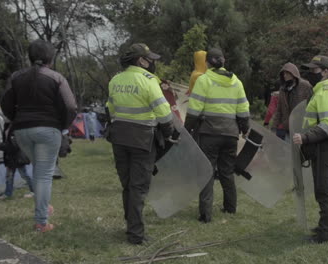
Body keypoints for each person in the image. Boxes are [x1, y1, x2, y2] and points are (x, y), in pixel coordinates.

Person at [0, 39, 77, 232]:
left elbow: (5, 103)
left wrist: (15, 118)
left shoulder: (16, 77)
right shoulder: (56, 78)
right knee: (44, 175)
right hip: (48, 130)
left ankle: (44, 206)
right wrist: (63, 126)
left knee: (39, 171)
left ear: (30, 56)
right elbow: (70, 106)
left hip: (22, 131)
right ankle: (42, 222)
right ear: (51, 57)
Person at [106, 43, 174, 244]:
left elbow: (110, 109)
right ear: (141, 61)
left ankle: (130, 222)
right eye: (149, 59)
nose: (152, 63)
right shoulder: (150, 81)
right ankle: (136, 234)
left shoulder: (115, 80)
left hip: (119, 138)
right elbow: (164, 113)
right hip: (142, 140)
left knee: (127, 184)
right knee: (139, 187)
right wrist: (169, 133)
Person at [184, 48, 250, 223]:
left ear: (207, 63)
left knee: (207, 172)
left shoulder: (204, 80)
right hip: (231, 134)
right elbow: (243, 109)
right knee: (227, 171)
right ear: (223, 61)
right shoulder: (236, 82)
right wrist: (244, 129)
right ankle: (230, 207)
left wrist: (187, 129)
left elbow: (194, 109)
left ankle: (206, 214)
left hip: (209, 133)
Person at [292, 55, 328, 243]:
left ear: (326, 72)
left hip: (326, 146)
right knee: (321, 189)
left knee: (325, 190)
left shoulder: (326, 92)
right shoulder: (318, 92)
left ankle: (325, 234)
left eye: (314, 70)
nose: (310, 73)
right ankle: (323, 227)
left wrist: (305, 137)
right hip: (319, 146)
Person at [272, 62, 312, 141]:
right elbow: (279, 109)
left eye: (287, 73)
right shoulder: (283, 89)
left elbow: (311, 105)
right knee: (288, 151)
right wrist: (274, 127)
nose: (285, 75)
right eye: (284, 73)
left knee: (300, 152)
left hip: (302, 128)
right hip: (288, 128)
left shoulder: (305, 86)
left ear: (294, 74)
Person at [0, 123, 34, 199]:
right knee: (9, 176)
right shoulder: (7, 126)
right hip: (10, 157)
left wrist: (0, 146)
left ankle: (34, 191)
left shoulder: (17, 127)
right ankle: (8, 194)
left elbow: (15, 144)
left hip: (18, 157)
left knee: (24, 174)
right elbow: (7, 141)